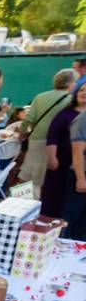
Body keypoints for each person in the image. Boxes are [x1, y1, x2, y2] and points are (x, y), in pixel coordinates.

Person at [20, 68, 78, 196]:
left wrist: (21, 135)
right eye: (75, 82)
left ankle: (21, 204)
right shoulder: (71, 101)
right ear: (70, 83)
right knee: (46, 178)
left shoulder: (40, 97)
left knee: (28, 176)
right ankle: (41, 208)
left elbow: (28, 120)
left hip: (35, 139)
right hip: (56, 144)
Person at [43, 81, 86, 216]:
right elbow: (52, 135)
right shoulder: (65, 113)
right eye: (81, 90)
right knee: (56, 194)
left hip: (79, 166)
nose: (84, 93)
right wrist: (51, 156)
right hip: (61, 162)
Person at [64, 110, 86, 239]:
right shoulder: (83, 119)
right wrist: (81, 178)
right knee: (71, 217)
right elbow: (77, 152)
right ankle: (62, 248)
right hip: (82, 174)